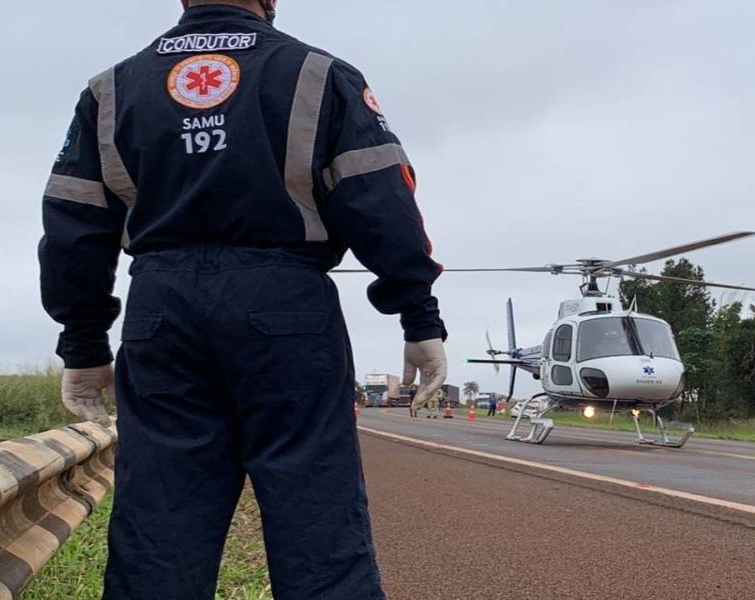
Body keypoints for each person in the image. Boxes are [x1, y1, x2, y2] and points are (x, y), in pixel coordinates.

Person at [38, 1, 448, 598]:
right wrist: (419, 315)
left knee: (159, 523)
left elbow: (74, 223)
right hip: (288, 305)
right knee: (317, 521)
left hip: (161, 309)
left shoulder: (111, 90)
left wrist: (82, 344)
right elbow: (382, 201)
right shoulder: (319, 74)